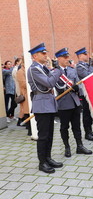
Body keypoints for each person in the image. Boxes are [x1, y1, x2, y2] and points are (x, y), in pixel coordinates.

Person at [27, 43, 63, 174]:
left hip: (48, 103)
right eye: (43, 53)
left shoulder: (44, 68)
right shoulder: (34, 69)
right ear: (35, 56)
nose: (46, 55)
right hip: (42, 104)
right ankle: (42, 162)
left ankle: (48, 158)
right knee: (43, 136)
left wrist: (55, 70)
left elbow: (55, 81)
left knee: (50, 135)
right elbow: (49, 83)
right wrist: (57, 70)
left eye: (45, 52)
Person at [54, 48, 92, 157]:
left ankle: (79, 146)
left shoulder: (72, 70)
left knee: (76, 126)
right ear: (58, 59)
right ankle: (67, 147)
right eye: (65, 57)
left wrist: (76, 88)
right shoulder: (56, 72)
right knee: (64, 127)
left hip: (75, 102)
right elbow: (56, 87)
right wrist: (64, 89)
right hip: (63, 103)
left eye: (68, 57)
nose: (67, 59)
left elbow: (78, 84)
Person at [75, 47, 93, 141]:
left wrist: (90, 66)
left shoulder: (86, 66)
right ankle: (87, 133)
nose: (87, 55)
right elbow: (89, 76)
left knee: (90, 113)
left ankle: (90, 131)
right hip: (84, 93)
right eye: (85, 54)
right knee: (86, 114)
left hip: (90, 92)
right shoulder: (79, 67)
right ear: (80, 56)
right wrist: (90, 66)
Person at [16, 58, 32, 136]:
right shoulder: (20, 72)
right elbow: (23, 84)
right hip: (25, 95)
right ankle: (29, 130)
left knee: (30, 111)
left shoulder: (29, 70)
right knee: (27, 112)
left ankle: (31, 128)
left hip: (31, 94)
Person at [12, 58, 23, 126]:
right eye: (20, 62)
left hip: (19, 88)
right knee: (22, 105)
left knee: (23, 106)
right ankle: (20, 120)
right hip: (19, 89)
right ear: (17, 62)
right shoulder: (16, 70)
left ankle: (21, 120)